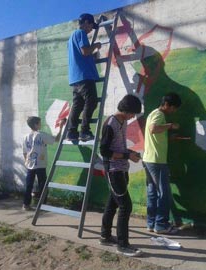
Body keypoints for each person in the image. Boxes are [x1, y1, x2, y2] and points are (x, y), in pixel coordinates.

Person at [99, 94, 143, 257]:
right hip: (113, 170)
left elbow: (119, 146)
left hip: (122, 168)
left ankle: (105, 236)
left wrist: (131, 153)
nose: (133, 117)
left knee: (113, 203)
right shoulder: (110, 123)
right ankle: (122, 245)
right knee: (126, 206)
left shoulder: (122, 122)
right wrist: (126, 156)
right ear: (126, 110)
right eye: (133, 113)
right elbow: (104, 152)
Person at [143, 92, 182, 234]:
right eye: (173, 108)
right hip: (157, 161)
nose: (173, 111)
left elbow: (155, 133)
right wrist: (170, 126)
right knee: (163, 193)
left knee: (153, 193)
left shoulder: (154, 114)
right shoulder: (159, 114)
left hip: (149, 159)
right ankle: (161, 225)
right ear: (166, 105)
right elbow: (153, 129)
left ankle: (151, 223)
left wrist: (168, 137)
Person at [66, 13, 102, 142]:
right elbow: (85, 51)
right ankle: (84, 131)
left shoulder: (70, 39)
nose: (91, 29)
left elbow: (81, 56)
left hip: (75, 78)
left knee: (77, 105)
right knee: (91, 102)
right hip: (85, 76)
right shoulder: (81, 33)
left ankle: (71, 132)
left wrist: (93, 57)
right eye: (91, 26)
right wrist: (96, 46)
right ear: (86, 22)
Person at [22, 116, 65, 210]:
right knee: (43, 185)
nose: (40, 124)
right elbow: (57, 139)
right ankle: (43, 204)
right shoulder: (41, 135)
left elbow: (24, 152)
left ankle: (26, 204)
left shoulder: (25, 136)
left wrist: (26, 162)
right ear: (35, 124)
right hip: (40, 164)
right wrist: (61, 128)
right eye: (39, 123)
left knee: (29, 185)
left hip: (30, 164)